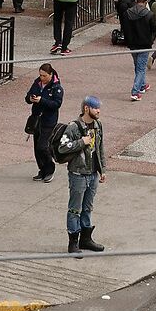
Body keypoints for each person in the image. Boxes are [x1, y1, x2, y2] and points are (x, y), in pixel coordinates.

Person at [56, 97, 107, 254]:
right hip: (78, 174)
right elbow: (62, 147)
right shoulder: (73, 127)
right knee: (74, 209)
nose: (98, 111)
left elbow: (100, 147)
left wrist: (103, 169)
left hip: (93, 174)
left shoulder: (98, 125)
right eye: (95, 108)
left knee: (88, 208)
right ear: (86, 108)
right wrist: (81, 142)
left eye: (99, 108)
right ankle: (73, 242)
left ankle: (86, 239)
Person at [23, 63, 64, 182]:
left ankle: (49, 169)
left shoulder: (56, 88)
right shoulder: (37, 83)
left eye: (44, 76)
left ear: (50, 75)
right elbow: (28, 97)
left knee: (43, 146)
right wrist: (30, 98)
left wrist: (42, 100)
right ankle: (42, 170)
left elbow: (56, 104)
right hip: (37, 119)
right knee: (37, 148)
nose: (42, 78)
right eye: (40, 75)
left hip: (48, 121)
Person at [119, 0, 156, 100]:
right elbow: (154, 28)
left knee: (138, 65)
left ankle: (142, 85)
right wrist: (151, 39)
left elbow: (124, 27)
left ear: (136, 1)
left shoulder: (127, 13)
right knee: (141, 68)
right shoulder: (149, 15)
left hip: (132, 43)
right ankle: (135, 91)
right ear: (146, 2)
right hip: (145, 43)